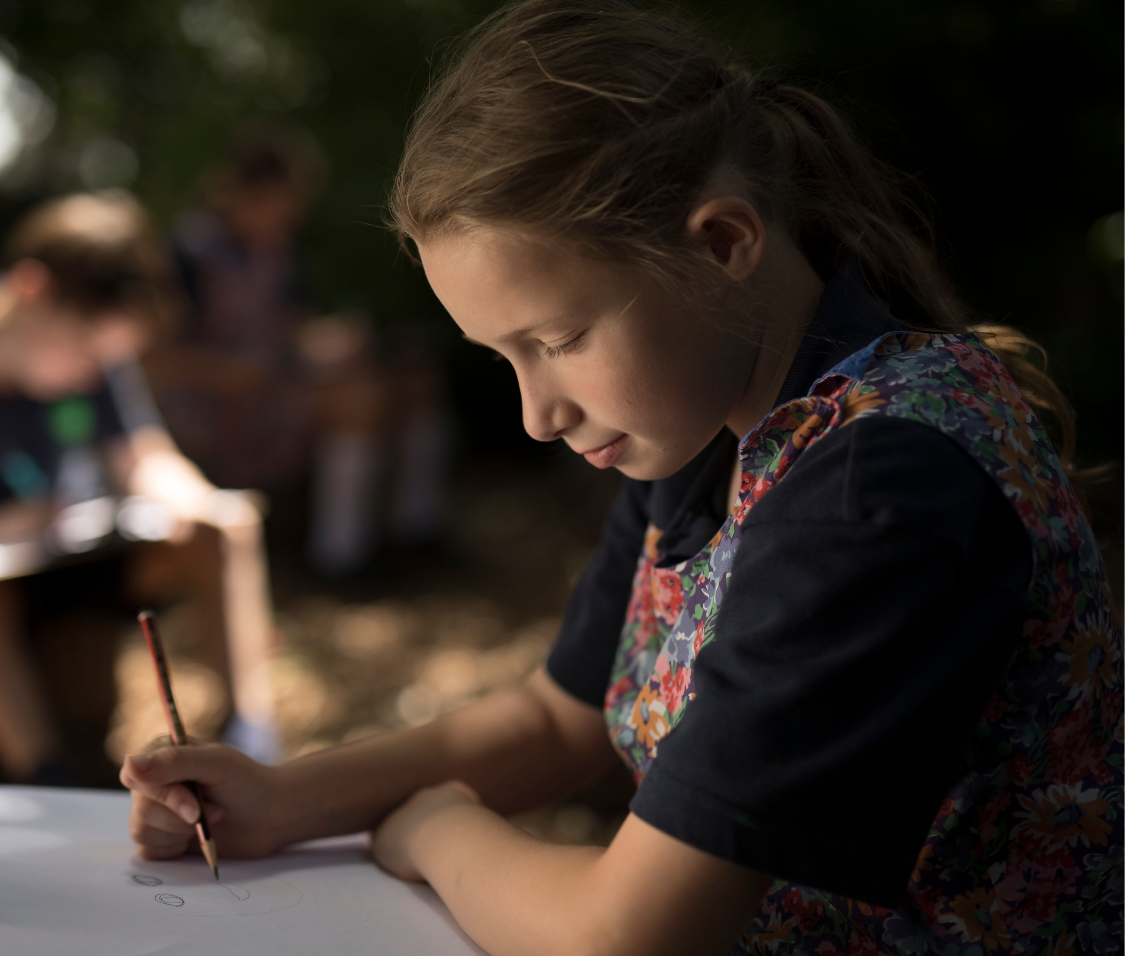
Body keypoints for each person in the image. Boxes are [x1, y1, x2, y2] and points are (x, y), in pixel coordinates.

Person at [121, 2, 1122, 953]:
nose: (536, 413)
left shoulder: (876, 489)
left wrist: (433, 830)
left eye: (556, 339)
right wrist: (284, 798)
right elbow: (556, 716)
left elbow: (625, 935)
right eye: (502, 357)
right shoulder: (712, 420)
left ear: (723, 243)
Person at [0, 191, 282, 782]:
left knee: (223, 528)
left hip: (79, 559)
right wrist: (3, 525)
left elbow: (144, 457)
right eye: (84, 349)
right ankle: (45, 775)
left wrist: (199, 502)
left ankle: (252, 750)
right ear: (31, 290)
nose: (93, 371)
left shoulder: (95, 355)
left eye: (108, 355)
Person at [147, 129, 449, 577]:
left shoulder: (275, 248)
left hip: (274, 388)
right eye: (279, 200)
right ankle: (341, 559)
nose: (289, 214)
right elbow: (155, 357)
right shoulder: (188, 253)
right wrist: (230, 372)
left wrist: (334, 341)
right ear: (241, 190)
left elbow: (289, 329)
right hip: (218, 412)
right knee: (356, 401)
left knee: (415, 381)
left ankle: (416, 532)